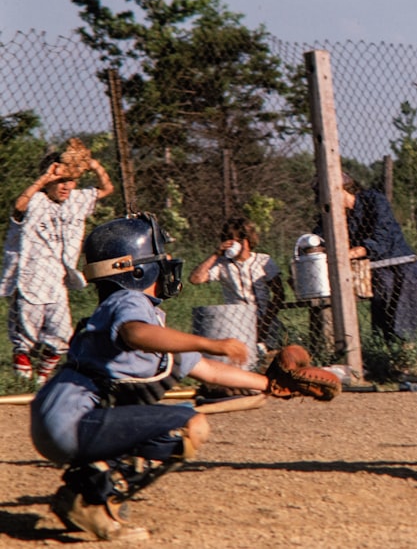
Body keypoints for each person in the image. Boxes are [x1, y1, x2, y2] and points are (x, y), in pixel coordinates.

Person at [30, 212, 272, 541]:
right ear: (138, 269)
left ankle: (83, 491)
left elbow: (208, 369)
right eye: (161, 257)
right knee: (188, 424)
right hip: (72, 423)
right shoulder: (129, 301)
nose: (169, 263)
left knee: (173, 417)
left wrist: (273, 385)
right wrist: (209, 341)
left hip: (59, 419)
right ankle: (88, 499)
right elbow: (134, 334)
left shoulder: (128, 311)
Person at [1, 147, 114, 385]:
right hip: (29, 276)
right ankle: (21, 381)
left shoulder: (76, 200)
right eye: (60, 181)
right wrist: (44, 179)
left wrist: (94, 165)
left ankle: (41, 380)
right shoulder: (37, 200)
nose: (65, 186)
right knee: (26, 336)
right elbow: (19, 206)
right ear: (48, 181)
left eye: (70, 181)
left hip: (57, 279)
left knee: (62, 336)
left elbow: (107, 189)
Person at [338, 172, 417, 363]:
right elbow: (319, 236)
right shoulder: (334, 217)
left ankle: (406, 349)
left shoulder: (373, 200)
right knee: (383, 286)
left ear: (342, 190)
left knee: (408, 280)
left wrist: (350, 253)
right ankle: (384, 351)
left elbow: (382, 238)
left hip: (401, 259)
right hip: (375, 267)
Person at [188, 216, 285, 353]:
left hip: (265, 320)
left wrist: (266, 321)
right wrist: (216, 254)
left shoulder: (263, 260)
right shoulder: (222, 265)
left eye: (239, 240)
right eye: (231, 241)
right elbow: (196, 279)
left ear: (248, 240)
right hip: (237, 322)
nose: (236, 245)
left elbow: (279, 294)